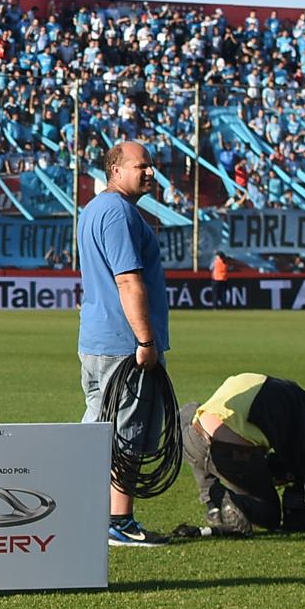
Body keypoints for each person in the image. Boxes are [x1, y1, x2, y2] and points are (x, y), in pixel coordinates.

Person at [77, 141, 171, 546]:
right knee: (127, 433)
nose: (149, 172)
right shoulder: (117, 212)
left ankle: (82, 512)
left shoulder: (94, 209)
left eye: (151, 165)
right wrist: (146, 339)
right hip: (123, 344)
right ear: (115, 169)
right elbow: (128, 280)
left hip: (96, 339)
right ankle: (119, 521)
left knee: (96, 429)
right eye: (140, 165)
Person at [179, 373, 305, 534]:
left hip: (193, 438)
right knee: (269, 514)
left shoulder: (252, 382)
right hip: (231, 452)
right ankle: (228, 500)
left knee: (192, 414)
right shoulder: (299, 403)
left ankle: (213, 506)